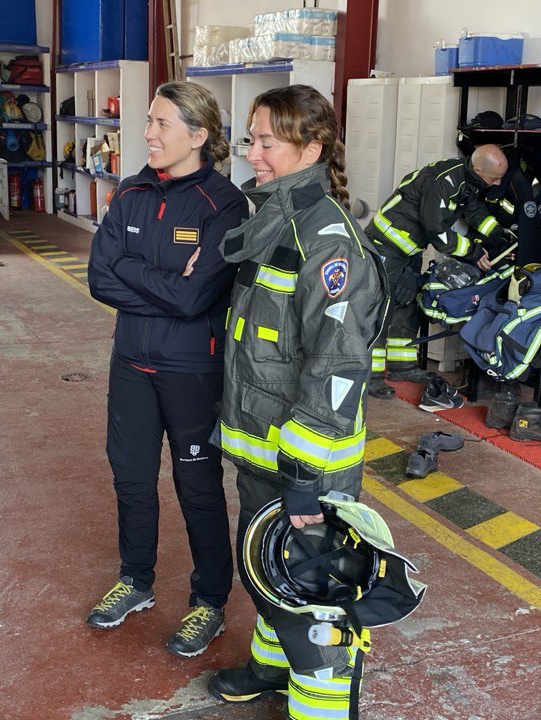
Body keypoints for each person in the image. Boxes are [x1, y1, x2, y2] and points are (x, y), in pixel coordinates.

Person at [206, 84, 386, 718]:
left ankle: (322, 707)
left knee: (314, 585)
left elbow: (337, 366)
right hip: (266, 449)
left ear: (312, 147)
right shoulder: (276, 215)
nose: (251, 152)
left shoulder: (327, 238)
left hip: (305, 462)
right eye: (250, 138)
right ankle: (272, 667)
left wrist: (307, 476)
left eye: (265, 142)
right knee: (270, 567)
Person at [85, 81, 248, 656]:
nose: (148, 133)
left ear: (198, 136)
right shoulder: (131, 191)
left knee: (196, 486)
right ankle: (136, 581)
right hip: (130, 361)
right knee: (130, 477)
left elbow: (195, 299)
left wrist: (134, 272)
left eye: (161, 124)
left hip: (191, 371)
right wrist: (164, 284)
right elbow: (97, 278)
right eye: (149, 121)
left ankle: (209, 603)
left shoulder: (224, 204)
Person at [364, 145, 509, 398]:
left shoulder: (468, 181)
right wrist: (473, 251)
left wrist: (497, 233)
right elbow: (437, 231)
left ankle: (402, 366)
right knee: (381, 309)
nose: (497, 184)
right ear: (478, 169)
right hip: (386, 246)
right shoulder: (443, 181)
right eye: (494, 178)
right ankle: (370, 375)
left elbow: (473, 211)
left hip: (409, 250)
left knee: (407, 305)